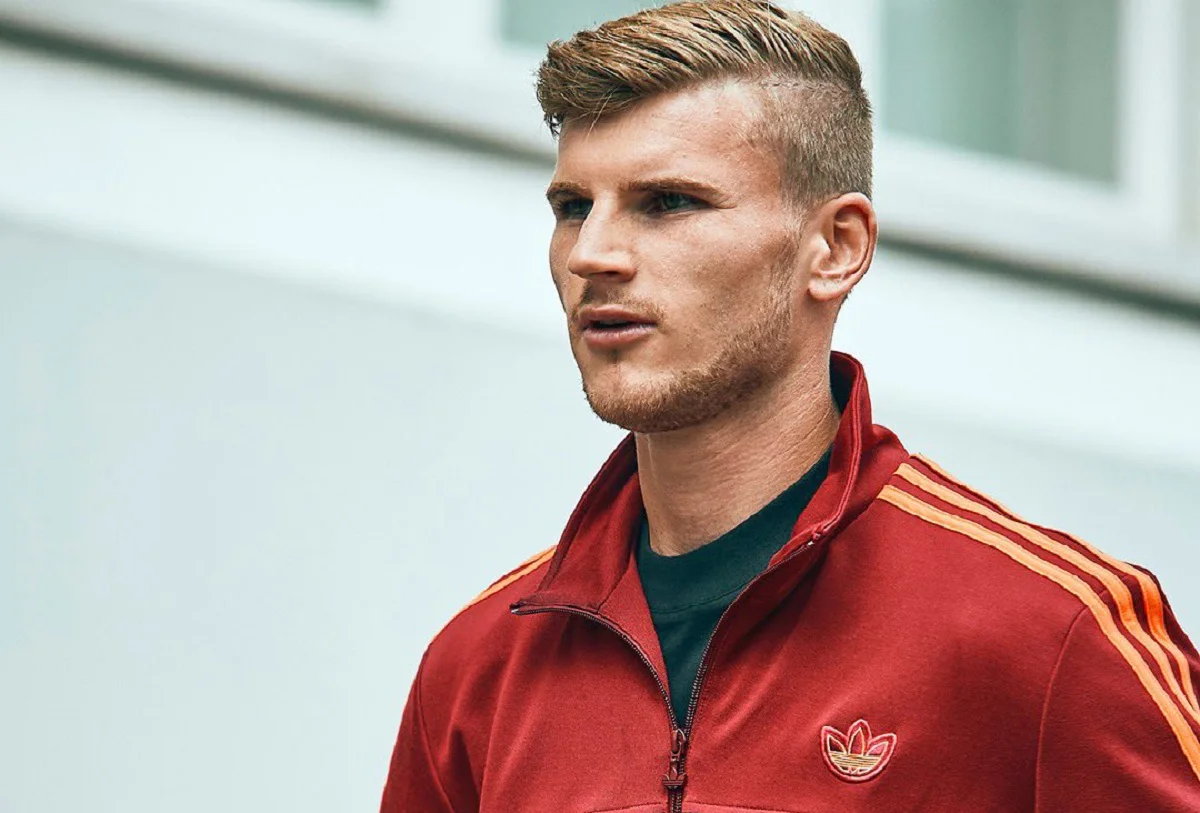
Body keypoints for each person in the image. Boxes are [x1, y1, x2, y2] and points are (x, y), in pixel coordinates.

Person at [380, 1, 1200, 810]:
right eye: (572, 207)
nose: (592, 254)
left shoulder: (1052, 638)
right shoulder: (478, 668)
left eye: (668, 202)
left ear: (836, 247)